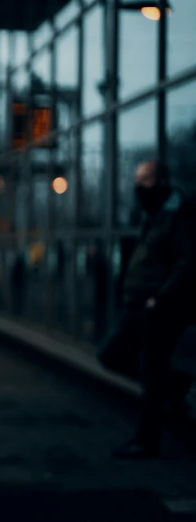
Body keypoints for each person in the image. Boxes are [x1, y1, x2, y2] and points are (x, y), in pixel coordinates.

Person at [98, 161, 196, 459]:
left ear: (162, 181)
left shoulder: (179, 216)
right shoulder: (155, 215)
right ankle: (176, 386)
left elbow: (187, 264)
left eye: (146, 180)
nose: (139, 187)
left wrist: (159, 299)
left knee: (151, 371)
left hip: (160, 308)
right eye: (137, 180)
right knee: (111, 355)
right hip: (138, 306)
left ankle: (146, 440)